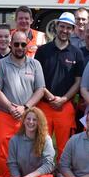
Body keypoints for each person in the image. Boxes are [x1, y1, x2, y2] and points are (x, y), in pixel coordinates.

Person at [0, 30, 46, 177]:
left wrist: (25, 107)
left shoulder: (35, 64)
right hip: (6, 115)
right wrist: (10, 107)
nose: (20, 47)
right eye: (16, 44)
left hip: (29, 116)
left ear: (28, 45)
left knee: (29, 150)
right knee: (4, 150)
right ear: (10, 44)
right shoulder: (2, 64)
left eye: (23, 44)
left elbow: (40, 90)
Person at [35, 12, 83, 160]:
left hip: (65, 105)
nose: (65, 30)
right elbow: (37, 78)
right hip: (44, 104)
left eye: (69, 28)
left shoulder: (77, 53)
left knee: (66, 145)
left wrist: (63, 99)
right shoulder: (43, 50)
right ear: (56, 26)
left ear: (73, 30)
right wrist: (50, 97)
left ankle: (63, 175)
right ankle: (43, 174)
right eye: (62, 26)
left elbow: (78, 81)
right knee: (42, 143)